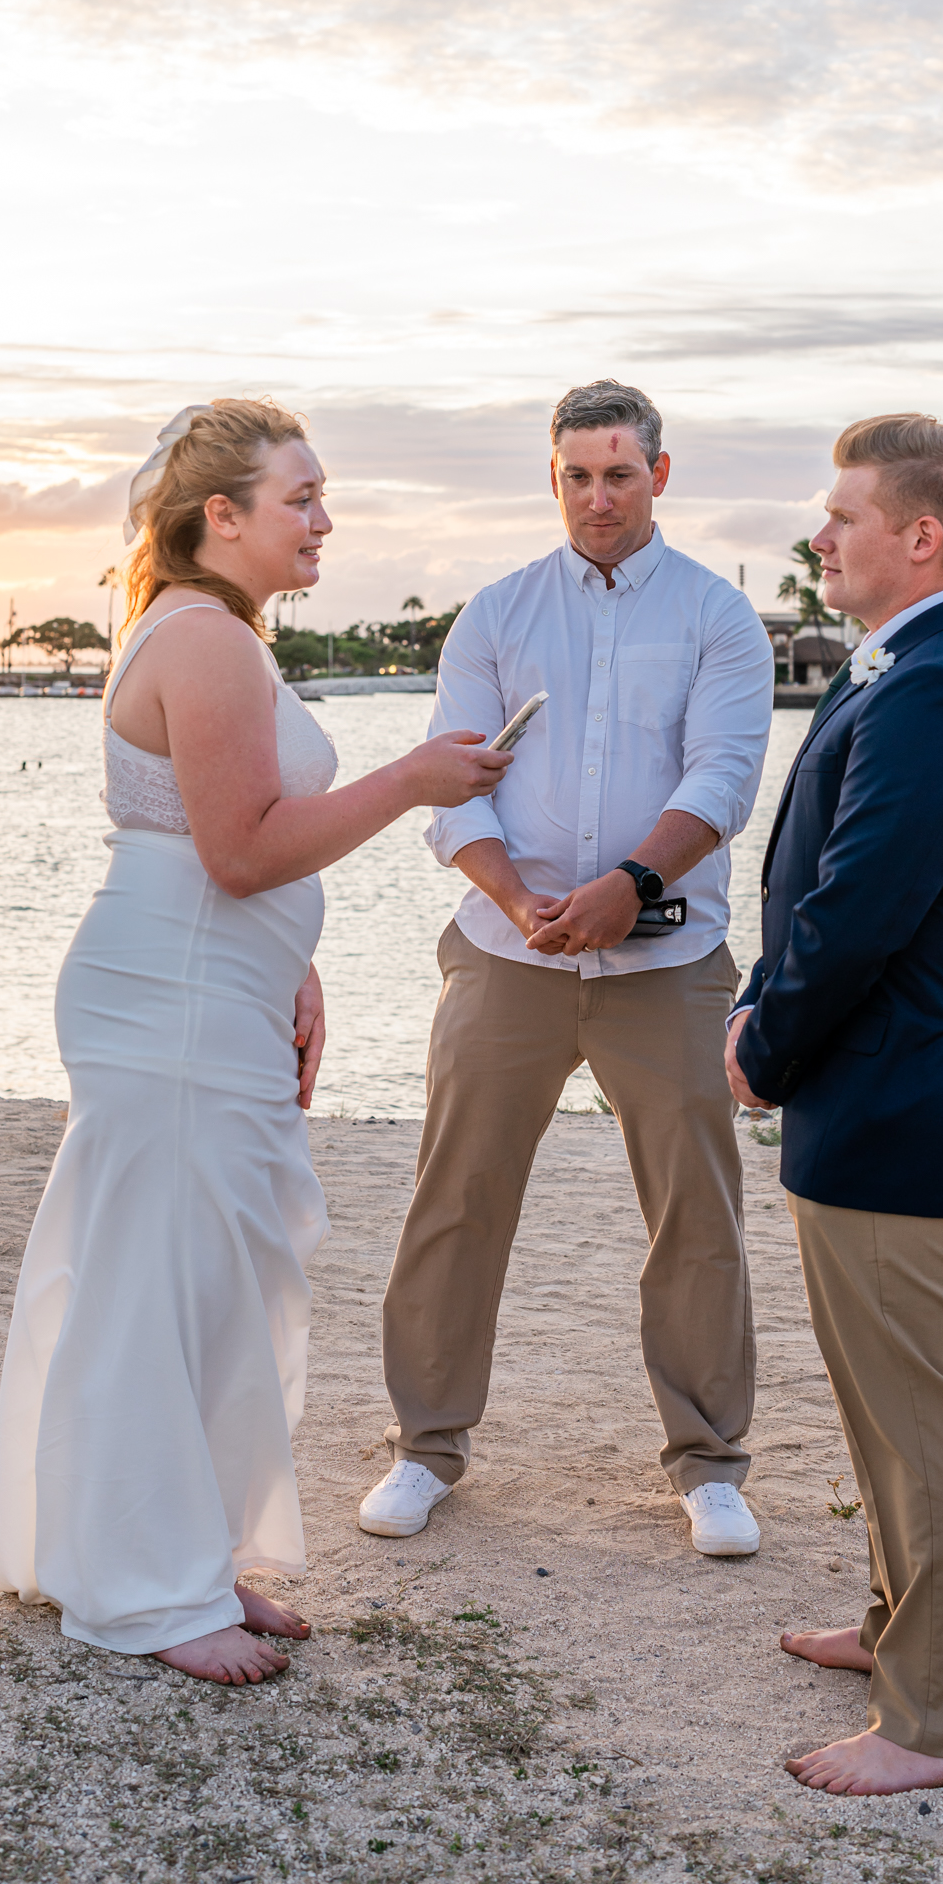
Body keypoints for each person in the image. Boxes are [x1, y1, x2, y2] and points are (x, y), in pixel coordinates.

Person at [0, 399, 510, 1685]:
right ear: (222, 517)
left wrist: (298, 961)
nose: (325, 521)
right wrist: (410, 780)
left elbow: (230, 836)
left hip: (210, 976)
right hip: (168, 991)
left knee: (209, 1281)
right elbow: (235, 851)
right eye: (304, 498)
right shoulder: (208, 639)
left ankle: (192, 1560)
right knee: (160, 1285)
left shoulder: (215, 633)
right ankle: (144, 1593)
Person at [359, 380, 776, 1557]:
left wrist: (626, 890)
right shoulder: (494, 615)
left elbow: (723, 779)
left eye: (621, 474)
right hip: (509, 952)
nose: (599, 497)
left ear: (658, 475)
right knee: (458, 1197)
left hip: (669, 957)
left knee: (697, 1211)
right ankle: (426, 1448)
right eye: (578, 475)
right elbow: (456, 785)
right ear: (552, 478)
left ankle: (709, 1464)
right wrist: (518, 897)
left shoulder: (715, 617)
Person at [726, 412, 943, 1797]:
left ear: (919, 535)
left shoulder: (936, 680)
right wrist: (768, 1004)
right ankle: (895, 1627)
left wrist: (764, 1034)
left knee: (919, 1409)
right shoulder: (916, 660)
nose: (820, 534)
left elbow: (861, 905)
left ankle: (942, 1718)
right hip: (878, 1071)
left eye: (841, 514)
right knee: (876, 1397)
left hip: (904, 1075)